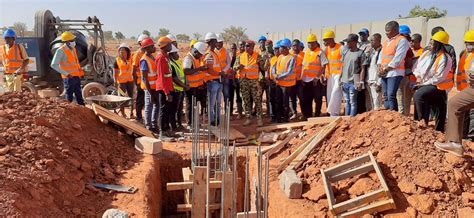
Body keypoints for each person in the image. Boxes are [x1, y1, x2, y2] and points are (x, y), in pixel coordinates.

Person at [434, 30, 474, 157]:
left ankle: (455, 143)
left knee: (454, 104)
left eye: (471, 43)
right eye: (467, 43)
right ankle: (455, 140)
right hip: (466, 87)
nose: (469, 46)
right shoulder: (466, 54)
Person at [413, 31, 453, 132]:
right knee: (424, 100)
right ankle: (422, 125)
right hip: (425, 84)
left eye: (432, 43)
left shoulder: (445, 58)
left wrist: (422, 85)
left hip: (438, 86)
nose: (429, 45)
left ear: (439, 44)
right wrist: (418, 77)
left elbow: (439, 77)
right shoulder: (426, 54)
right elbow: (416, 67)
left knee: (419, 95)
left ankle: (423, 122)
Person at [377, 21, 410, 111]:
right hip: (385, 72)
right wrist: (379, 66)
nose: (387, 33)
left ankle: (393, 115)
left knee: (391, 95)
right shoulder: (386, 42)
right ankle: (388, 114)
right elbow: (381, 55)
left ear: (396, 30)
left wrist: (387, 69)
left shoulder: (402, 40)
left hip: (395, 72)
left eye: (389, 31)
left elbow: (398, 58)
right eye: (386, 31)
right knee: (386, 95)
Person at [51, 31, 85, 105]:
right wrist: (66, 74)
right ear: (67, 42)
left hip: (76, 76)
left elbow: (75, 62)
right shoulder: (60, 51)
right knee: (69, 96)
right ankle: (68, 111)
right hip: (69, 77)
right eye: (72, 40)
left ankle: (83, 109)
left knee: (79, 95)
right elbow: (54, 65)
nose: (74, 42)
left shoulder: (73, 49)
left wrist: (80, 71)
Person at [235, 40, 264, 126]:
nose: (246, 48)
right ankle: (248, 118)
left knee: (257, 100)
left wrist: (265, 65)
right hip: (243, 81)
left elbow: (262, 68)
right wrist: (238, 67)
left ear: (252, 47)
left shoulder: (257, 56)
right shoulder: (240, 56)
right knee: (246, 100)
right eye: (245, 46)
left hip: (254, 82)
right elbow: (234, 68)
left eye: (248, 46)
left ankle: (259, 119)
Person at [301, 34, 328, 119]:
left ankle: (317, 114)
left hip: (315, 80)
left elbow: (323, 66)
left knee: (317, 99)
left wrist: (317, 77)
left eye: (312, 43)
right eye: (309, 43)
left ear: (316, 43)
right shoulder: (307, 52)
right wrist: (302, 77)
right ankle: (308, 115)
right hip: (306, 80)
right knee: (308, 99)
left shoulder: (320, 52)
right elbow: (304, 66)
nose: (310, 45)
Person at [340, 34, 368, 116]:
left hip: (353, 82)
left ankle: (351, 119)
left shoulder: (361, 53)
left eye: (349, 42)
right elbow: (343, 66)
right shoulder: (346, 52)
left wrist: (361, 81)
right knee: (347, 102)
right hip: (344, 81)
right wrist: (340, 79)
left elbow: (363, 68)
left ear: (354, 42)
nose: (347, 44)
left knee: (352, 102)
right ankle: (346, 119)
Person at [183, 42, 208, 128]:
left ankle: (195, 122)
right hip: (189, 87)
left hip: (196, 86)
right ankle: (190, 123)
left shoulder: (196, 58)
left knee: (195, 106)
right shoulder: (188, 59)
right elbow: (186, 71)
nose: (201, 56)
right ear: (195, 51)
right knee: (190, 105)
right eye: (200, 54)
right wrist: (200, 68)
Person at [155, 37, 175, 139]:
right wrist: (167, 92)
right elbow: (161, 76)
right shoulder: (160, 58)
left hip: (168, 87)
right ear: (165, 46)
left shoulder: (166, 57)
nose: (171, 46)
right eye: (170, 44)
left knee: (167, 110)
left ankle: (167, 129)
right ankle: (162, 133)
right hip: (163, 89)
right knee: (163, 110)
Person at [273, 38, 296, 123]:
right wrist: (274, 74)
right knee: (278, 101)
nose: (279, 49)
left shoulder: (291, 58)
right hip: (279, 83)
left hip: (286, 84)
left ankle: (285, 118)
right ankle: (279, 118)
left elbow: (289, 71)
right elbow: (274, 67)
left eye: (281, 47)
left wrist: (279, 77)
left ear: (286, 48)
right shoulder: (280, 57)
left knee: (285, 102)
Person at [203, 32, 224, 126]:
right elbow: (210, 70)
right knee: (211, 104)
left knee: (218, 103)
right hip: (212, 82)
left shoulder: (214, 53)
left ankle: (217, 120)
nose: (217, 43)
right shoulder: (209, 55)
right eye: (215, 41)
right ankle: (212, 121)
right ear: (211, 42)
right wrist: (219, 73)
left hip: (218, 81)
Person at [323, 30, 344, 116]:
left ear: (331, 39)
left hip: (339, 74)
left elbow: (344, 61)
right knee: (330, 93)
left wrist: (342, 74)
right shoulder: (326, 49)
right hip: (330, 75)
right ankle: (331, 113)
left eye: (326, 40)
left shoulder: (341, 47)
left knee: (336, 92)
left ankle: (334, 112)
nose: (324, 42)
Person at [139, 38, 159, 132]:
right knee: (149, 106)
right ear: (147, 48)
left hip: (155, 87)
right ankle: (148, 126)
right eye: (152, 46)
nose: (154, 47)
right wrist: (150, 93)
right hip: (149, 88)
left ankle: (154, 124)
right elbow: (144, 78)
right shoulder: (144, 60)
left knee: (156, 105)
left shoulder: (152, 57)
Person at [169, 45, 189, 132]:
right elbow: (174, 78)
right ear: (171, 54)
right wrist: (184, 86)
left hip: (180, 90)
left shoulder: (177, 62)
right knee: (173, 110)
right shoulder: (171, 64)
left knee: (179, 110)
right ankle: (174, 127)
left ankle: (179, 124)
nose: (178, 55)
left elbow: (182, 75)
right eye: (176, 53)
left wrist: (185, 84)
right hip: (175, 90)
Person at [396, 25, 415, 116]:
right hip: (405, 75)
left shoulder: (404, 45)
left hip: (402, 75)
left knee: (400, 98)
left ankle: (402, 118)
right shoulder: (407, 45)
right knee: (402, 98)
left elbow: (408, 61)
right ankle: (404, 117)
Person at [131, 34, 150, 122]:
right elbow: (133, 71)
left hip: (147, 81)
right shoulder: (137, 54)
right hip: (140, 81)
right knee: (140, 100)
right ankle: (139, 116)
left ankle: (147, 117)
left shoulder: (149, 53)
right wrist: (136, 83)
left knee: (147, 101)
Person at [113, 43, 134, 118]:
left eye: (123, 51)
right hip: (121, 83)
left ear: (127, 52)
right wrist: (115, 81)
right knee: (122, 98)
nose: (122, 53)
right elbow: (115, 73)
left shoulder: (130, 59)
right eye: (120, 51)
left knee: (131, 97)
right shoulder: (117, 61)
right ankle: (123, 113)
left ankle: (132, 113)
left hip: (130, 81)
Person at [216, 33, 233, 110]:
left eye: (221, 42)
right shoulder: (213, 52)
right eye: (219, 42)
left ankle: (227, 111)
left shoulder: (225, 51)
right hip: (216, 76)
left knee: (226, 94)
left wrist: (224, 71)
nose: (220, 43)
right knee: (217, 95)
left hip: (224, 76)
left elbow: (229, 63)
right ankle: (217, 113)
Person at [367, 33, 383, 110]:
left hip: (376, 82)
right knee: (373, 102)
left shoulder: (381, 52)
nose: (371, 42)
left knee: (377, 103)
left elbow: (380, 68)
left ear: (378, 40)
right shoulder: (373, 52)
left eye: (372, 40)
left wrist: (379, 83)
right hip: (371, 81)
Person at [258, 36, 272, 118]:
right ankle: (258, 111)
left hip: (269, 79)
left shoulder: (271, 54)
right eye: (261, 42)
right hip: (260, 78)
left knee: (268, 97)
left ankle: (269, 112)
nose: (262, 43)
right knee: (259, 96)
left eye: (263, 42)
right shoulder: (258, 53)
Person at [290, 39, 304, 119]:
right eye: (293, 46)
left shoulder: (304, 55)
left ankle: (303, 113)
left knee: (301, 98)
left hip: (300, 80)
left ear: (299, 46)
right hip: (291, 80)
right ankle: (294, 113)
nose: (295, 47)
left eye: (297, 45)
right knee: (292, 98)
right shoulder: (290, 55)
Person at [232, 41, 246, 118]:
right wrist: (233, 80)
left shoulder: (249, 55)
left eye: (243, 45)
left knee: (247, 97)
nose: (242, 47)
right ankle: (240, 113)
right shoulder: (236, 56)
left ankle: (248, 113)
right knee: (238, 96)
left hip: (247, 80)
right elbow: (233, 69)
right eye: (240, 45)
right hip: (238, 79)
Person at [358, 28, 370, 113]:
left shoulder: (369, 45)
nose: (362, 36)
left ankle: (364, 111)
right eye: (360, 34)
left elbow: (365, 57)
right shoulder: (358, 45)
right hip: (357, 71)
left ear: (367, 35)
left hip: (365, 70)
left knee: (364, 92)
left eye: (363, 34)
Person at [268, 41, 281, 122]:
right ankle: (273, 116)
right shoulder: (272, 59)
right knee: (271, 99)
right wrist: (268, 78)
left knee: (278, 100)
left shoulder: (282, 58)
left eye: (277, 49)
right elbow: (269, 69)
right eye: (275, 49)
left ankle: (279, 116)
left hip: (279, 82)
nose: (276, 51)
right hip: (272, 81)